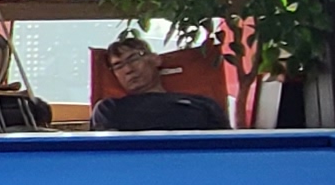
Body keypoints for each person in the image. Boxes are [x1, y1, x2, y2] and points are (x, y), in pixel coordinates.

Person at [89, 32, 231, 131]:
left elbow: (225, 146)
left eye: (133, 59)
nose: (128, 69)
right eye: (118, 66)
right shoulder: (109, 109)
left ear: (155, 59)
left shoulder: (202, 104)